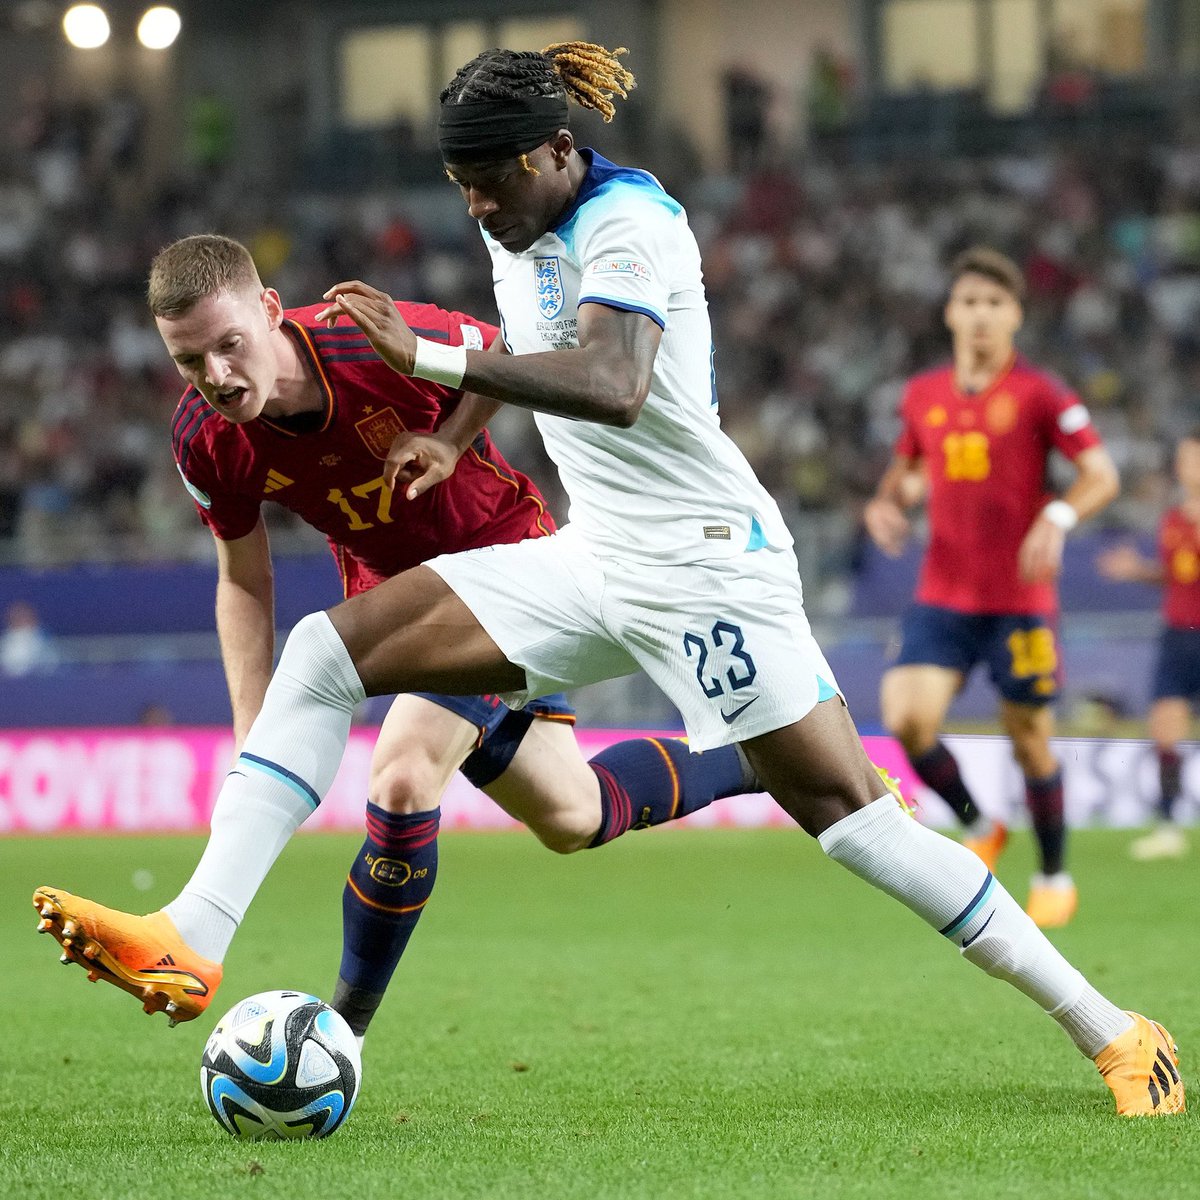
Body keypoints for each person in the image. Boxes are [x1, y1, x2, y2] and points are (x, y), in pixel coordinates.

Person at [36, 45, 1180, 1116]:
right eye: (459, 184)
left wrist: (432, 364)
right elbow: (524, 352)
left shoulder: (633, 221)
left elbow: (616, 380)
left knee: (850, 823)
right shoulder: (517, 220)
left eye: (486, 182)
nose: (474, 206)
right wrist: (457, 412)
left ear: (551, 153)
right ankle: (192, 930)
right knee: (324, 655)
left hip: (704, 563)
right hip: (590, 555)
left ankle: (1111, 1029)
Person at [36, 233, 761, 1044]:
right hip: (394, 603)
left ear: (270, 310)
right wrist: (254, 745)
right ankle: (767, 753)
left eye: (230, 346)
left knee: (405, 773)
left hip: (509, 567)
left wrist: (451, 440)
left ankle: (328, 1034)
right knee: (572, 811)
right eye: (189, 362)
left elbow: (499, 347)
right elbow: (244, 579)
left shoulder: (360, 340)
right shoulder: (203, 440)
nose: (218, 377)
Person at [863, 247, 1120, 929]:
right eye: (969, 302)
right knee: (906, 719)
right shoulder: (923, 395)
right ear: (951, 312)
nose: (980, 315)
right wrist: (888, 503)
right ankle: (981, 822)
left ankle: (1054, 873)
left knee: (1030, 737)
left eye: (994, 304)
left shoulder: (1042, 394)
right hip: (943, 593)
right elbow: (911, 471)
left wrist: (1059, 516)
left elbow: (1101, 473)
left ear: (1015, 316)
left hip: (1020, 601)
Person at [1096, 430, 1200, 860]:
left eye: (1192, 459)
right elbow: (1177, 575)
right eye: (1182, 459)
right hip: (1179, 634)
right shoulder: (1175, 518)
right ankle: (1169, 824)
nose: (1185, 467)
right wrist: (1137, 570)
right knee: (1165, 729)